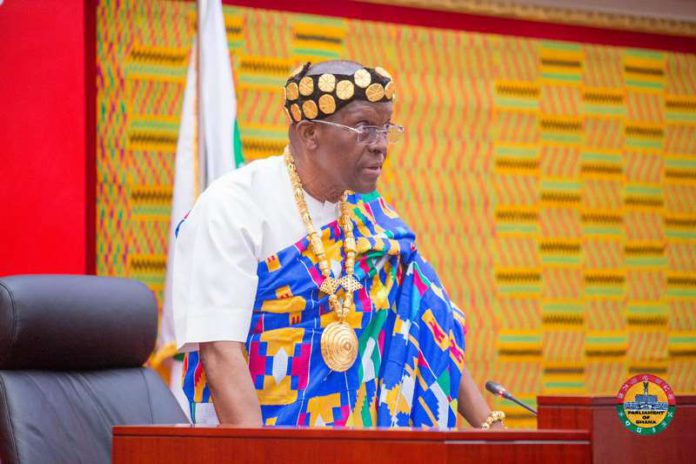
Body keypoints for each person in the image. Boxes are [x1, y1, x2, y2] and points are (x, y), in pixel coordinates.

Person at [173, 60, 503, 429]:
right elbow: (220, 352)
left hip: (363, 446)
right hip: (262, 444)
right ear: (310, 133)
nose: (380, 145)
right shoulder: (232, 208)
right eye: (363, 127)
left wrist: (493, 431)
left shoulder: (372, 220)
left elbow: (429, 328)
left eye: (385, 128)